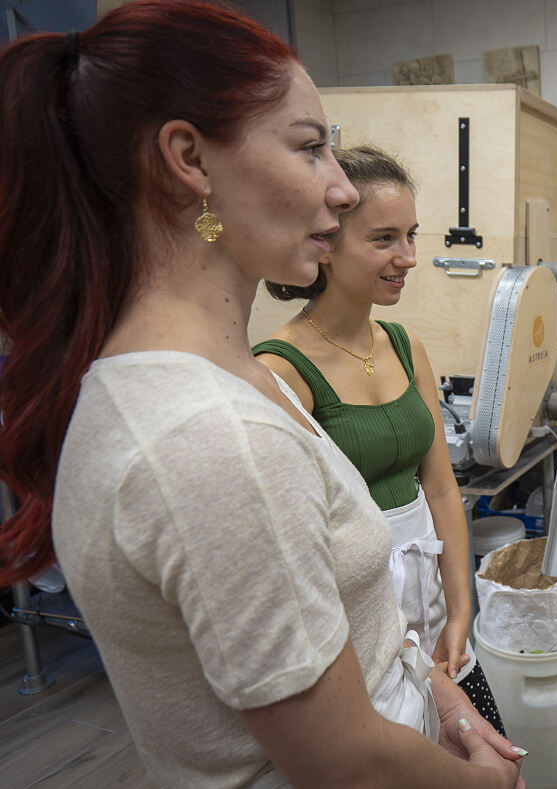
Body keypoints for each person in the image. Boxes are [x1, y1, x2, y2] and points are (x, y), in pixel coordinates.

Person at [0, 2, 525, 786]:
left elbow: (355, 644)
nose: (344, 190)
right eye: (311, 148)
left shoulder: (226, 382)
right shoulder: (215, 437)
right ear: (190, 160)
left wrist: (439, 693)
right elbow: (347, 764)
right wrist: (495, 780)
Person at [253, 144, 505, 734]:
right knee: (397, 745)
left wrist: (460, 606)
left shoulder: (404, 345)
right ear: (327, 243)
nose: (409, 257)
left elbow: (442, 489)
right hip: (358, 602)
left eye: (412, 236)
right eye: (384, 238)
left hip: (430, 584)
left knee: (475, 738)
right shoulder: (281, 369)